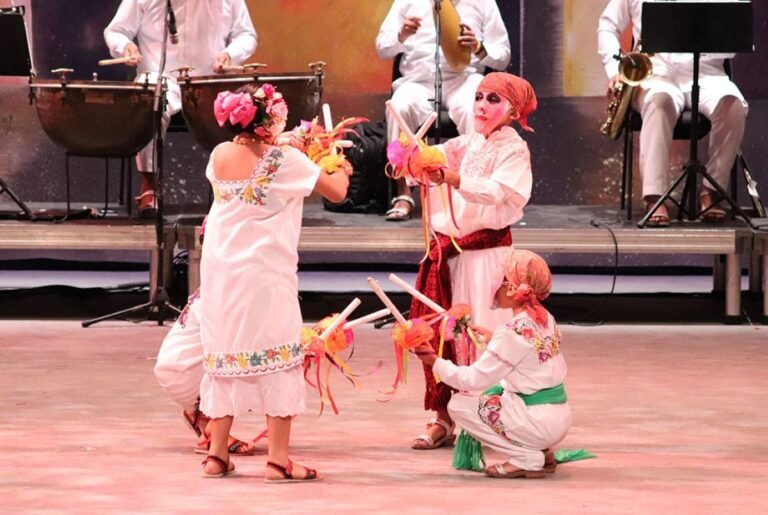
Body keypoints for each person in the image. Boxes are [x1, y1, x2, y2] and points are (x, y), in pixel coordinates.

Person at [164, 83, 348, 479]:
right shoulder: (285, 161)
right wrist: (334, 160)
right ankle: (278, 460)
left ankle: (216, 454)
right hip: (265, 275)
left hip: (222, 274)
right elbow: (336, 191)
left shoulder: (219, 155)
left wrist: (289, 143)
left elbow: (258, 154)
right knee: (278, 355)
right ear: (268, 121)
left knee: (224, 355)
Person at [404, 72, 537, 450]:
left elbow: (499, 193)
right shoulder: (469, 143)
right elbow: (430, 163)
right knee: (446, 336)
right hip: (451, 256)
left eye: (493, 100)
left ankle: (486, 418)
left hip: (487, 259)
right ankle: (442, 416)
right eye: (479, 97)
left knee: (481, 336)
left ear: (512, 110)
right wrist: (412, 160)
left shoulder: (513, 149)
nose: (482, 106)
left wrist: (453, 178)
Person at [413, 249, 571, 478]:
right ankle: (540, 450)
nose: (493, 284)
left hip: (537, 420)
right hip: (556, 417)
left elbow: (472, 379)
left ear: (511, 288)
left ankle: (527, 458)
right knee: (499, 395)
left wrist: (434, 361)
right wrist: (492, 339)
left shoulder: (511, 332)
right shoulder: (544, 318)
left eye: (499, 278)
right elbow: (526, 357)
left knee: (458, 404)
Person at [597, 0, 748, 226]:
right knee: (659, 103)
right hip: (656, 72)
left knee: (733, 106)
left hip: (708, 72)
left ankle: (711, 191)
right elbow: (607, 26)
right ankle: (655, 198)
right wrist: (616, 67)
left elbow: (733, 36)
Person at [104, 0, 257, 215]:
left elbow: (246, 35)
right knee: (152, 100)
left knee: (241, 105)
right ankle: (149, 186)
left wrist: (230, 54)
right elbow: (116, 31)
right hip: (160, 76)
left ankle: (228, 189)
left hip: (209, 79)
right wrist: (126, 47)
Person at [376, 0, 511, 221]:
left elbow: (503, 56)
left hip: (463, 79)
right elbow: (382, 47)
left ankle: (471, 191)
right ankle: (403, 193)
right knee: (399, 107)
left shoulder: (483, 3)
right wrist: (401, 35)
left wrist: (479, 48)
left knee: (476, 105)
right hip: (418, 81)